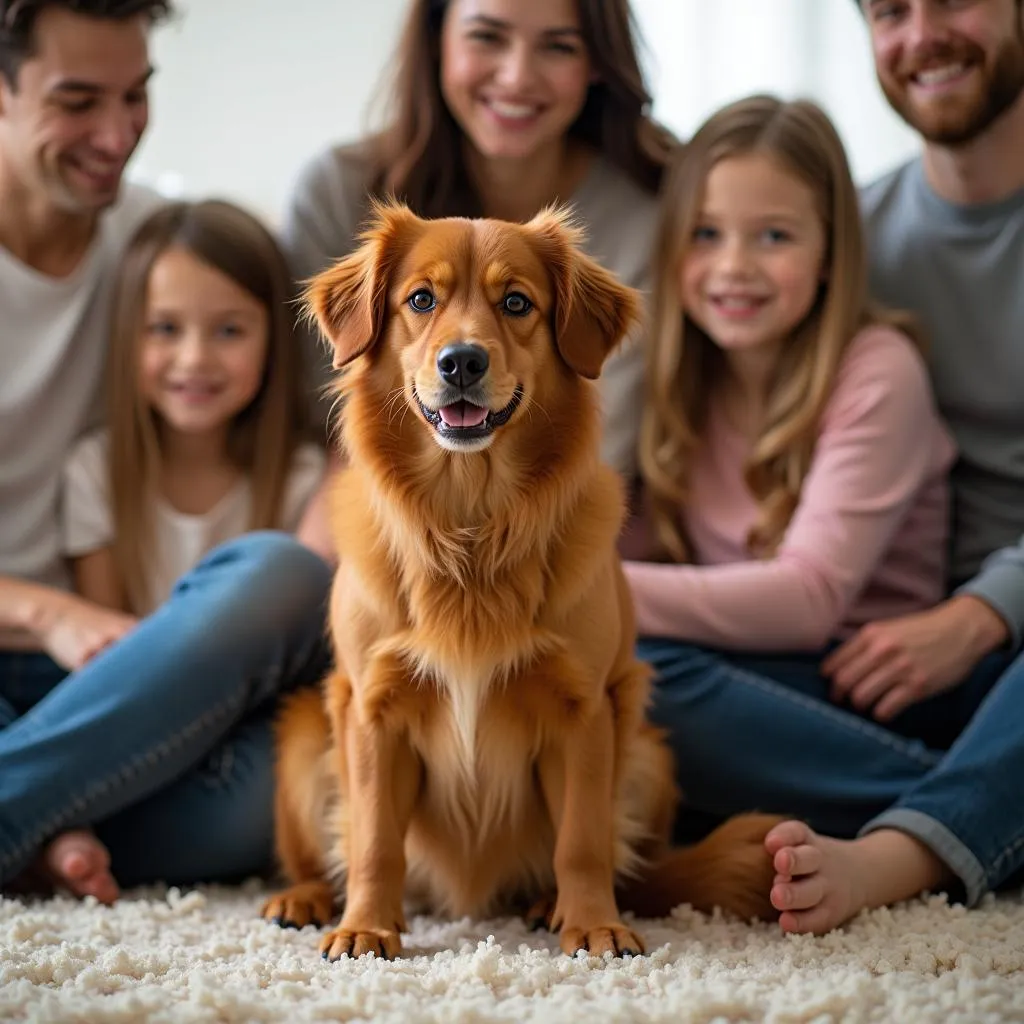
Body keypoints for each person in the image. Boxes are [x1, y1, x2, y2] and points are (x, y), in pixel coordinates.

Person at [0, 1, 332, 905]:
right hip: (34, 655)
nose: (116, 137)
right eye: (77, 102)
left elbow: (330, 408)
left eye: (136, 96)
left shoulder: (150, 234)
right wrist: (53, 615)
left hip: (145, 684)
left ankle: (41, 816)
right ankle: (42, 820)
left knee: (287, 594)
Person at [618, 92, 973, 937]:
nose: (734, 264)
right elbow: (629, 549)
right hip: (760, 681)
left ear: (827, 256)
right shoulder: (679, 384)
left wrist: (577, 583)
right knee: (612, 667)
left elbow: (809, 594)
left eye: (773, 236)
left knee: (651, 674)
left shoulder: (877, 369)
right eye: (707, 235)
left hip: (871, 687)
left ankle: (950, 802)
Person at [282, 0, 674, 496]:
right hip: (364, 499)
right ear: (436, 39)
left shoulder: (653, 210)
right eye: (487, 37)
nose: (516, 77)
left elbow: (607, 443)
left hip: (567, 506)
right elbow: (317, 424)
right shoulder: (336, 190)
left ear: (598, 61)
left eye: (558, 46)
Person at [61, 200, 324, 617]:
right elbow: (105, 647)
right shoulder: (94, 473)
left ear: (274, 343)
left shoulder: (303, 482)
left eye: (229, 330)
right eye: (166, 328)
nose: (195, 359)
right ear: (128, 336)